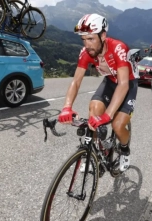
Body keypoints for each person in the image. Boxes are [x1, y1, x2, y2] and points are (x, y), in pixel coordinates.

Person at [58, 13, 138, 173]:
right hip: (109, 81)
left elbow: (123, 84)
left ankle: (124, 150)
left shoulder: (118, 48)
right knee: (94, 109)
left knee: (117, 125)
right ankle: (96, 153)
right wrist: (67, 107)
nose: (87, 45)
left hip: (127, 83)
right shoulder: (86, 52)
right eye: (83, 39)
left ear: (103, 35)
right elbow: (76, 81)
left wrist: (108, 115)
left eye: (91, 39)